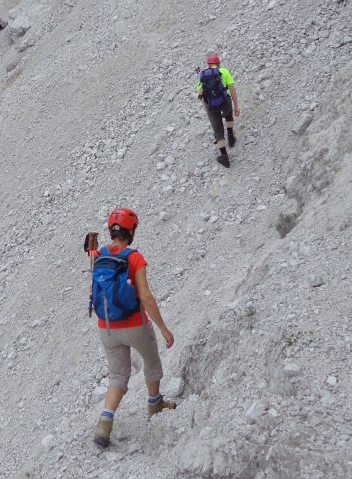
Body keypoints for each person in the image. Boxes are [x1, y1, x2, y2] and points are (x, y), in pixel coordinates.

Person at [86, 207, 176, 448]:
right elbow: (145, 297)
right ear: (131, 230)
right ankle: (154, 403)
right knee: (152, 362)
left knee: (117, 376)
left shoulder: (99, 256)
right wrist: (164, 329)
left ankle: (104, 424)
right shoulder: (134, 258)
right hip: (135, 325)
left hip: (106, 328)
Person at [197, 52, 240, 167]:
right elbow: (232, 89)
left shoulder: (203, 76)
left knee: (218, 131)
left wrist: (208, 109)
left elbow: (200, 95)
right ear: (218, 63)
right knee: (229, 115)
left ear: (208, 64)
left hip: (211, 105)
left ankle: (224, 158)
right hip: (225, 101)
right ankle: (231, 138)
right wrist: (236, 106)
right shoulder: (224, 71)